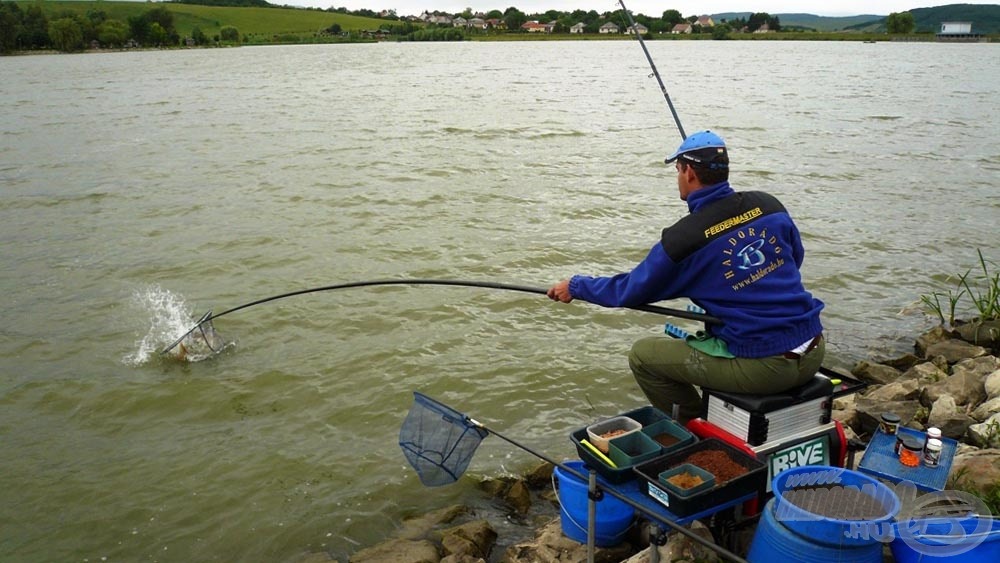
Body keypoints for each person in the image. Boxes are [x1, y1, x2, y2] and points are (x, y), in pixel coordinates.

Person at [547, 130, 824, 423]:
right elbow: (795, 259)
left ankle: (694, 430)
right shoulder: (769, 206)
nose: (678, 177)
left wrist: (576, 286)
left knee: (643, 356)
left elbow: (629, 290)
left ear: (689, 172)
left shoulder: (684, 239)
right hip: (814, 347)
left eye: (678, 170)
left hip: (765, 368)